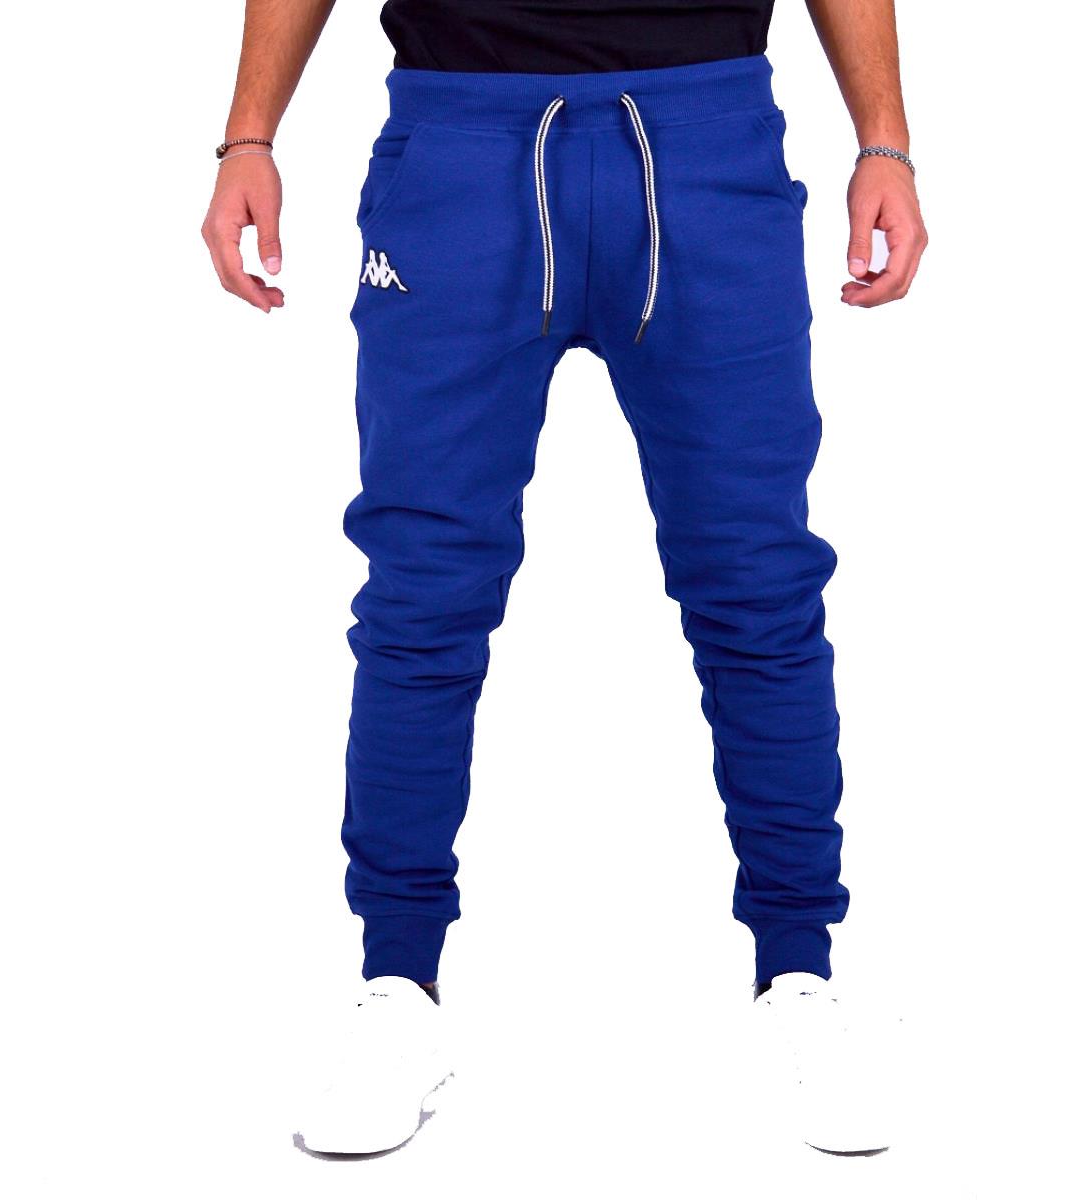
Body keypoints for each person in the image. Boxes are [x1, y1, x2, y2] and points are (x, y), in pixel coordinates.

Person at [202, 0, 927, 1157]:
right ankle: (397, 989)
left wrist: (881, 141)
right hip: (460, 143)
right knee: (421, 594)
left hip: (705, 138)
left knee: (757, 587)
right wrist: (250, 134)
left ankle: (798, 976)